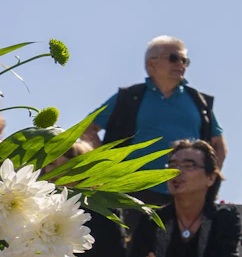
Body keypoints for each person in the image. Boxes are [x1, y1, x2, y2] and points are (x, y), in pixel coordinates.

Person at [86, 37, 225, 202]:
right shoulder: (129, 97)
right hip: (131, 191)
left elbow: (219, 145)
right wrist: (107, 164)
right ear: (151, 64)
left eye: (185, 60)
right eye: (174, 58)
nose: (180, 64)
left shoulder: (199, 101)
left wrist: (208, 180)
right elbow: (87, 128)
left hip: (185, 195)